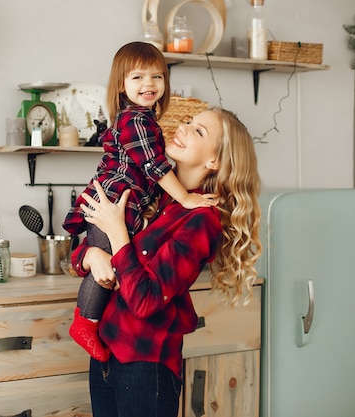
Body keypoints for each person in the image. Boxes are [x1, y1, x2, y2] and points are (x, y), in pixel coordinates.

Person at [72, 107, 262, 417]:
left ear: (214, 161)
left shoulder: (202, 221)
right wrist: (91, 256)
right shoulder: (150, 193)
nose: (184, 128)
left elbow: (145, 300)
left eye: (199, 131)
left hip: (147, 368)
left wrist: (118, 232)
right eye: (189, 121)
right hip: (105, 355)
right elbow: (85, 251)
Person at [63, 41, 216, 362]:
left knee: (104, 259)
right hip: (113, 201)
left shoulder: (142, 121)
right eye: (138, 78)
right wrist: (186, 197)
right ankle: (85, 322)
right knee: (102, 261)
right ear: (121, 84)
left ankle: (86, 322)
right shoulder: (136, 121)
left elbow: (144, 289)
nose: (149, 84)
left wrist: (94, 254)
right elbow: (153, 165)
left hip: (144, 353)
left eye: (157, 77)